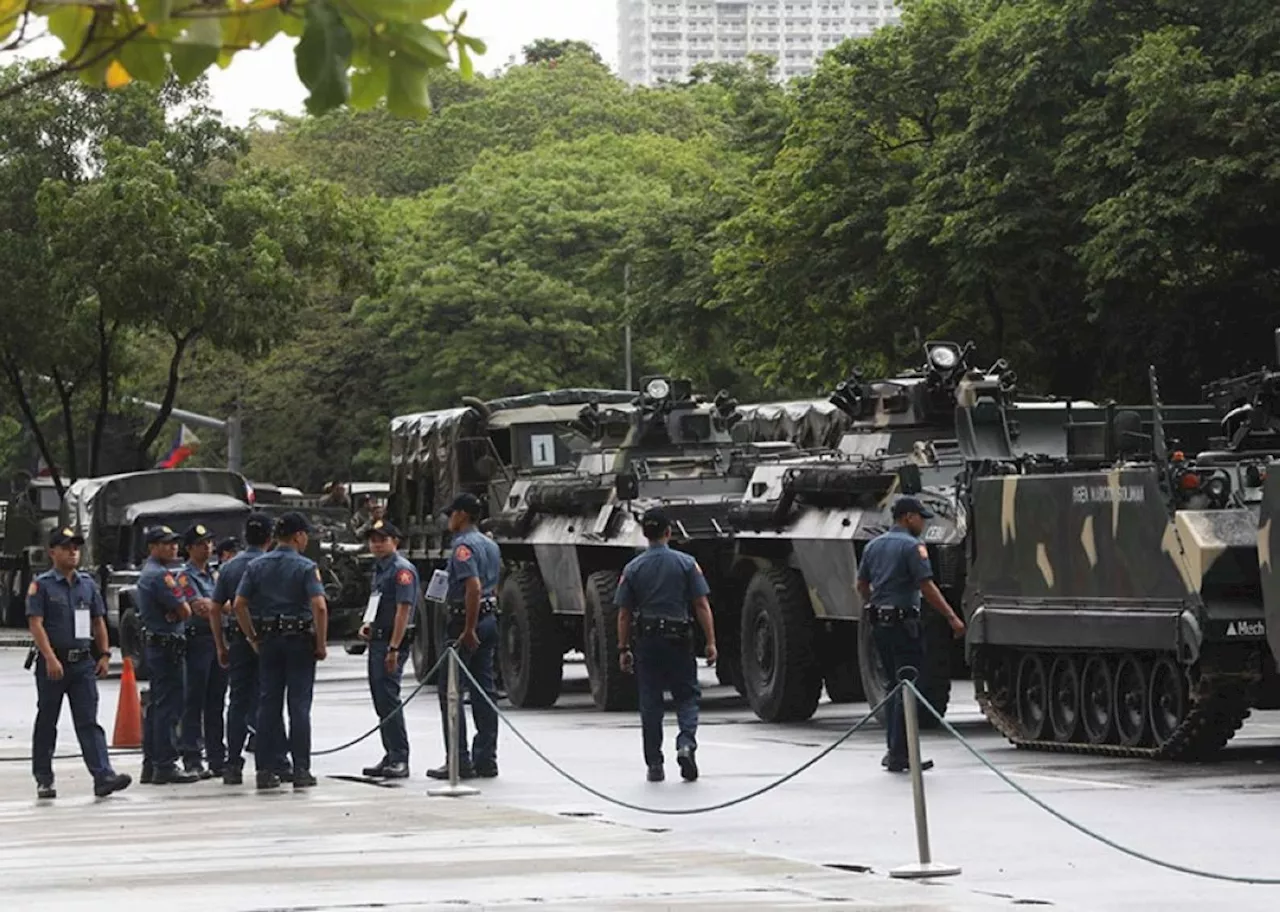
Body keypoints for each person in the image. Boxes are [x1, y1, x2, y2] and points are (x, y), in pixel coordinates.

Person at [856, 496, 966, 773]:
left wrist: (875, 603)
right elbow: (927, 586)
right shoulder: (912, 546)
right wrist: (951, 617)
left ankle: (895, 750)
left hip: (880, 624)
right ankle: (899, 753)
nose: (923, 523)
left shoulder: (873, 545)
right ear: (907, 517)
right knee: (907, 686)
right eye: (920, 518)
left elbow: (860, 584)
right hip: (904, 625)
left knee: (895, 686)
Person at [26, 526, 132, 800]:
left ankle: (102, 775)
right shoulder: (43, 585)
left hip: (82, 664)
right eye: (66, 547)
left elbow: (98, 621)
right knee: (47, 722)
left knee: (88, 722)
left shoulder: (87, 584)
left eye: (76, 547)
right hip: (54, 663)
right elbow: (36, 624)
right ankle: (44, 778)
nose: (73, 552)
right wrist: (49, 657)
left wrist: (105, 654)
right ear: (53, 552)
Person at [615, 508, 716, 783]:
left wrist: (623, 649)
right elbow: (701, 604)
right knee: (686, 696)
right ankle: (685, 743)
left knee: (650, 702)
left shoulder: (632, 568)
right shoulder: (686, 563)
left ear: (644, 534)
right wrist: (711, 642)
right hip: (679, 638)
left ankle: (655, 764)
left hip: (647, 641)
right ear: (669, 532)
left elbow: (624, 613)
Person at [233, 511, 328, 790]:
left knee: (267, 705)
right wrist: (321, 644)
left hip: (269, 640)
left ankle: (265, 770)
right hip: (299, 640)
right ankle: (301, 770)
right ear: (298, 536)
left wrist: (252, 636)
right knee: (298, 706)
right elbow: (320, 606)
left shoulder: (257, 566)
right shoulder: (306, 567)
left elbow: (239, 604)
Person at [212, 513, 290, 785]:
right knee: (270, 702)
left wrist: (220, 644)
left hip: (237, 640)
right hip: (266, 639)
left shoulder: (230, 567)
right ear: (271, 537)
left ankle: (232, 763)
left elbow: (214, 608)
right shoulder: (270, 565)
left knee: (237, 702)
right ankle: (274, 762)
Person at [427, 492, 500, 780]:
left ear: (462, 515)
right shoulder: (490, 544)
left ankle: (459, 760)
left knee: (452, 692)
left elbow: (473, 587)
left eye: (452, 513)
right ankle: (486, 758)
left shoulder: (462, 548)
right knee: (485, 691)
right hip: (490, 618)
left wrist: (467, 629)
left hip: (465, 622)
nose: (448, 519)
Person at [136, 525, 200, 785]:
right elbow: (185, 611)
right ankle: (165, 763)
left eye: (174, 543)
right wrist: (180, 610)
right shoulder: (161, 577)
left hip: (158, 644)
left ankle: (152, 762)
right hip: (168, 646)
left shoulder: (150, 573)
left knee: (157, 705)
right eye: (166, 543)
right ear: (152, 547)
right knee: (170, 706)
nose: (173, 547)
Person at [358, 519, 419, 779]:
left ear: (395, 541)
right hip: (378, 640)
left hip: (391, 643)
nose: (376, 544)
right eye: (373, 539)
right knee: (380, 699)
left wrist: (394, 648)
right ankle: (390, 751)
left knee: (389, 698)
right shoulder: (380, 569)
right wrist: (367, 624)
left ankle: (400, 757)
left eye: (382, 539)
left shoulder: (401, 570)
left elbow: (403, 611)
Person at [177, 523, 226, 779]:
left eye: (209, 542)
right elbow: (201, 608)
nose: (207, 547)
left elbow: (218, 605)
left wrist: (218, 606)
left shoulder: (215, 575)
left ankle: (218, 757)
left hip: (218, 640)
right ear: (189, 549)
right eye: (200, 544)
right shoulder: (185, 577)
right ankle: (192, 757)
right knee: (194, 701)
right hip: (197, 642)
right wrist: (221, 606)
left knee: (216, 702)